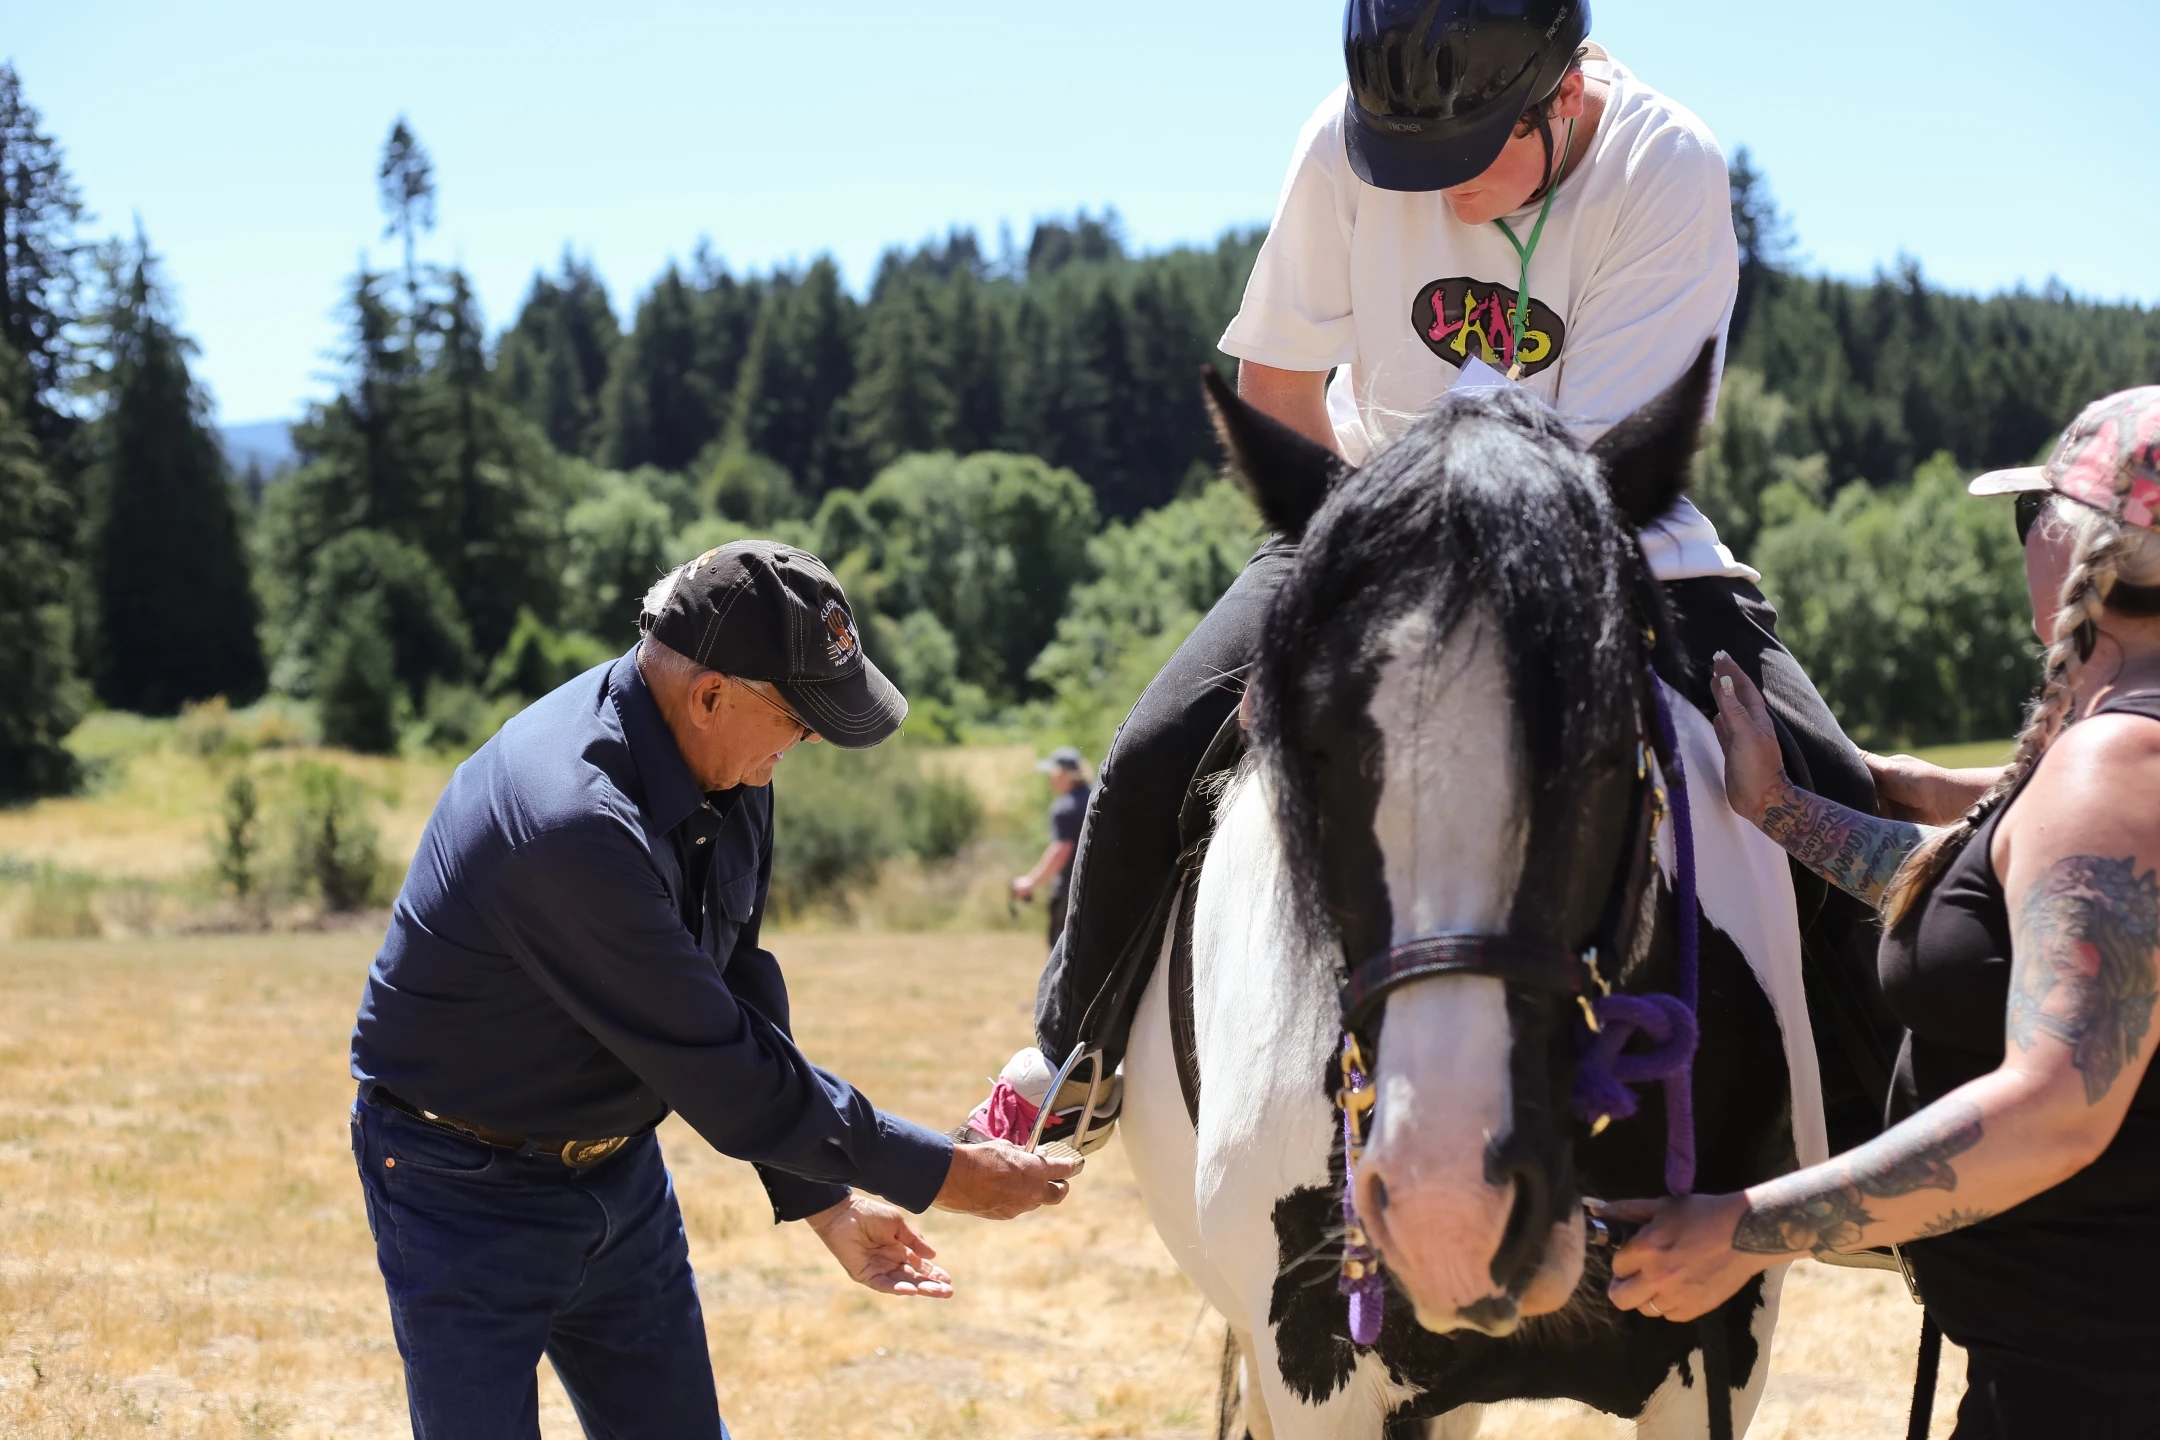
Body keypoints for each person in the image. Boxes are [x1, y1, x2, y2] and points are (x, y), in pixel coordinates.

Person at [977, 0, 1890, 1155]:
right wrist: (1332, 585)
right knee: (1162, 743)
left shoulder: (1667, 164)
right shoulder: (1347, 138)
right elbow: (1280, 390)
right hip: (1367, 508)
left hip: (1605, 532)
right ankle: (1074, 1054)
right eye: (1405, 159)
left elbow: (1604, 471)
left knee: (1829, 776)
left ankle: (1885, 1108)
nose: (1431, 185)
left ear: (1562, 96)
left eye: (1463, 158)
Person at [349, 540, 1076, 1440]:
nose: (808, 741)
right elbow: (722, 1069)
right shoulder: (571, 821)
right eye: (799, 717)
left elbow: (736, 988)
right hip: (457, 1186)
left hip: (618, 1171)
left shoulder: (728, 765)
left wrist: (823, 1198)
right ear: (710, 694)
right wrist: (946, 1174)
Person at [1603, 388, 2160, 1437]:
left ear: (2083, 551)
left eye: (2029, 515)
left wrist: (1748, 1226)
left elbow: (2055, 1107)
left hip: (2093, 1390)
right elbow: (1995, 905)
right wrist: (1784, 812)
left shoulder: (2117, 770)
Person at [1012, 746, 1093, 950]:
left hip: (1071, 892)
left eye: (1052, 772)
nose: (1049, 778)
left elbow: (1061, 851)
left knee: (1061, 954)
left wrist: (1030, 882)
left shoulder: (1065, 808)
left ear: (1062, 774)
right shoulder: (1097, 797)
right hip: (1100, 889)